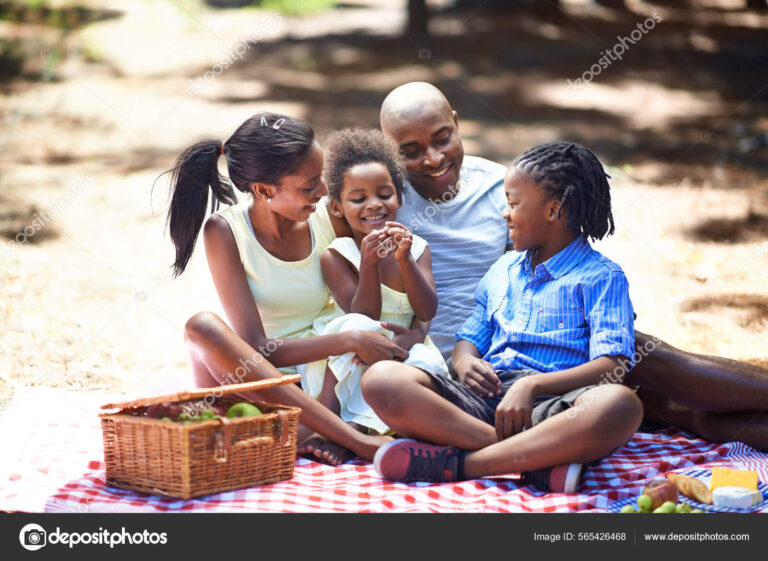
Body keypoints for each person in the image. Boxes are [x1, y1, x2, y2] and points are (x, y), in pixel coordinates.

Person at [379, 81, 768, 452]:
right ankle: (519, 446)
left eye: (443, 138)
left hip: (533, 339)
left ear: (457, 123)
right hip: (461, 364)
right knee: (638, 389)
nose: (433, 158)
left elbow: (531, 271)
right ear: (388, 149)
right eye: (410, 151)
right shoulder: (381, 203)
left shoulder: (498, 185)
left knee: (643, 366)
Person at [365, 141, 644, 491]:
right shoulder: (502, 269)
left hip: (556, 408)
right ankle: (536, 462)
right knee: (382, 380)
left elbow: (613, 365)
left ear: (554, 211)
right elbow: (470, 338)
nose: (504, 213)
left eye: (512, 204)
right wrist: (465, 363)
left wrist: (533, 385)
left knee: (621, 405)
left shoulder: (601, 277)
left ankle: (462, 465)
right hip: (484, 403)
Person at [162, 112, 409, 465]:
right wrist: (350, 340)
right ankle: (354, 440)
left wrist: (396, 333)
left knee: (365, 345)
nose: (324, 192)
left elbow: (369, 293)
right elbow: (259, 348)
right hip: (266, 380)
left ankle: (305, 431)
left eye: (321, 179)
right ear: (264, 191)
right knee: (201, 327)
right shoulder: (226, 232)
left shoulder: (328, 214)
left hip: (331, 381)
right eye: (309, 187)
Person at [302, 128, 449, 435]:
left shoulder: (417, 248)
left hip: (402, 346)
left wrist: (405, 260)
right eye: (358, 198)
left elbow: (426, 311)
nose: (373, 205)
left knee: (425, 367)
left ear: (398, 196)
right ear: (337, 207)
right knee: (351, 330)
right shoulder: (338, 255)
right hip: (357, 349)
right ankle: (331, 426)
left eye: (384, 195)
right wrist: (368, 262)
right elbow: (362, 316)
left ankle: (361, 429)